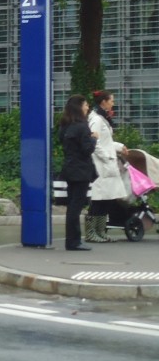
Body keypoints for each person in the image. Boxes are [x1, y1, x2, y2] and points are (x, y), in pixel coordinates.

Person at [86, 89, 129, 243]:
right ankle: (91, 233)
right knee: (98, 199)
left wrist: (119, 147)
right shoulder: (96, 120)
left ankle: (100, 231)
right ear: (103, 101)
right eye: (111, 100)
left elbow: (106, 141)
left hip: (106, 162)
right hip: (100, 164)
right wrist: (106, 157)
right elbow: (94, 142)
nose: (113, 103)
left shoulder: (102, 118)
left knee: (107, 198)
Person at [57, 94, 96, 251]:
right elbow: (87, 150)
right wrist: (93, 139)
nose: (87, 108)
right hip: (81, 171)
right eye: (86, 105)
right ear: (79, 107)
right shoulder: (82, 127)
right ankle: (74, 242)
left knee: (72, 205)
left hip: (70, 169)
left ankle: (71, 240)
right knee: (76, 207)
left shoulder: (64, 126)